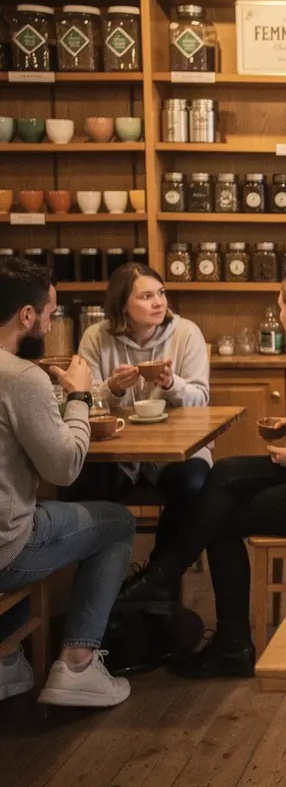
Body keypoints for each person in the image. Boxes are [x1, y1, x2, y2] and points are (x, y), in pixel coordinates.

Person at [118, 269, 286, 678]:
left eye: (280, 307)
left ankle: (229, 643)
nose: (277, 314)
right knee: (226, 472)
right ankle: (165, 577)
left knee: (221, 522)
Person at [0, 258, 134, 707]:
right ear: (26, 316)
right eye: (50, 313)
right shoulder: (20, 377)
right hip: (5, 552)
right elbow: (64, 468)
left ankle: (5, 660)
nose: (51, 322)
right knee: (116, 522)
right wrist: (78, 394)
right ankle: (78, 664)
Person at [70, 263, 210, 573]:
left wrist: (172, 385)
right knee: (83, 482)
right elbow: (80, 399)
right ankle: (104, 582)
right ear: (122, 305)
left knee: (195, 483)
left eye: (160, 293)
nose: (159, 302)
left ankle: (160, 579)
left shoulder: (187, 333)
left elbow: (201, 400)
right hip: (116, 452)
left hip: (177, 450)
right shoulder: (96, 336)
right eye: (146, 296)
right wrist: (112, 389)